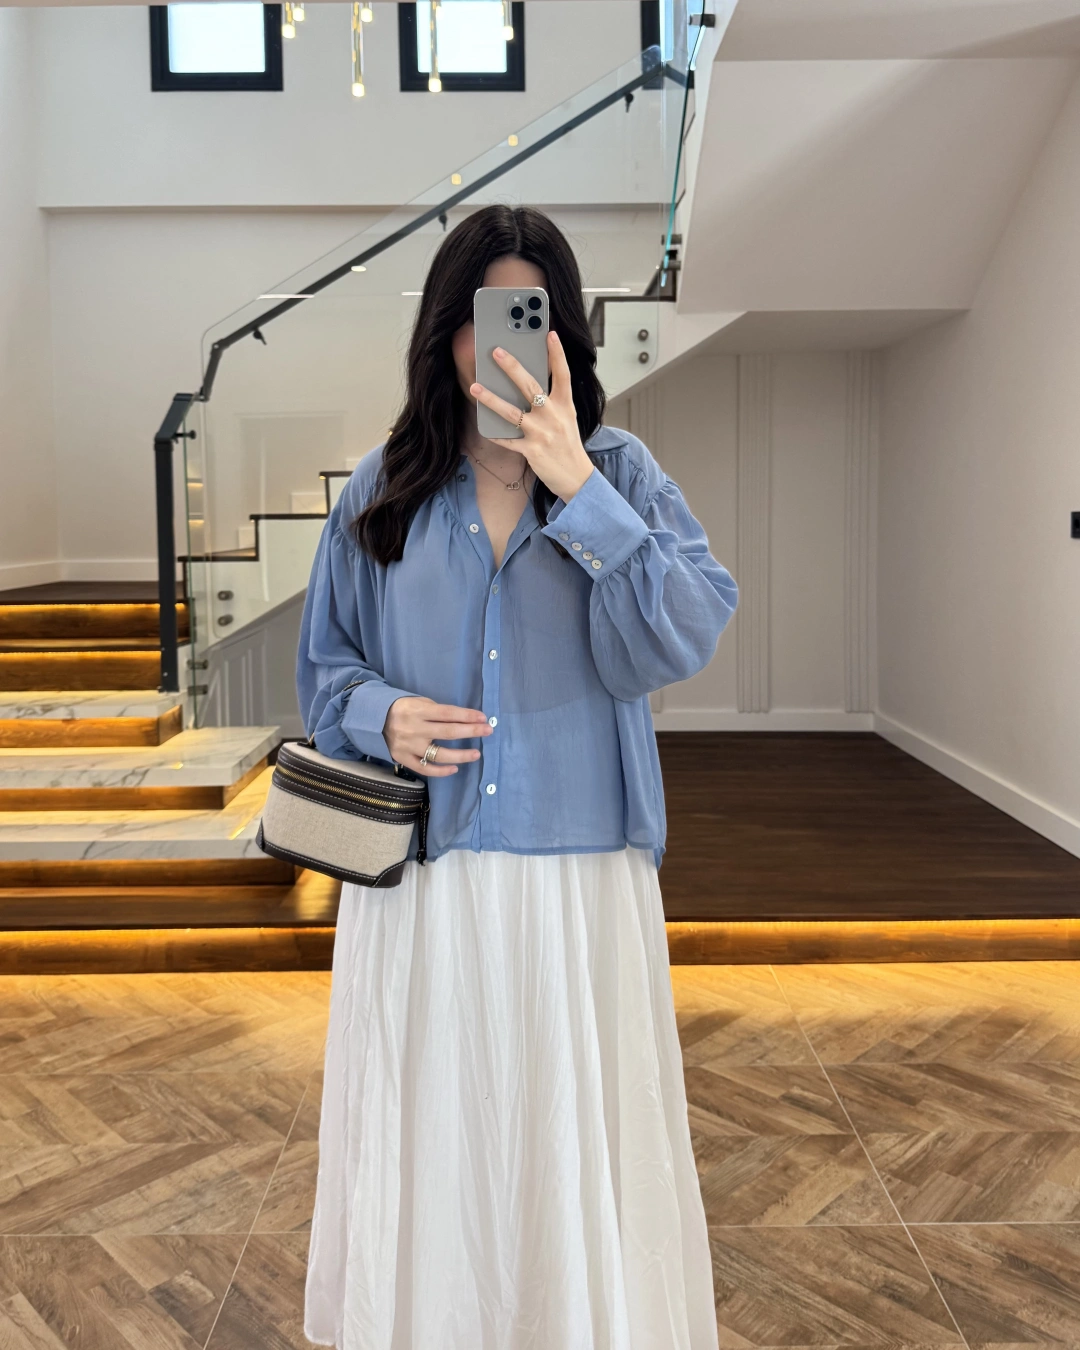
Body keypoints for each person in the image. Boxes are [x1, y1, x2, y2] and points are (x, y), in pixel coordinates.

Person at [297, 203, 738, 1349]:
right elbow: (325, 672)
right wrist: (381, 714)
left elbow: (686, 631)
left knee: (568, 1139)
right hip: (425, 877)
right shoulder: (384, 486)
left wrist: (578, 486)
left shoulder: (621, 474)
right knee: (438, 1135)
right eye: (481, 315)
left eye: (526, 314)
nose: (501, 341)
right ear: (445, 330)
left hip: (580, 874)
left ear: (563, 332)